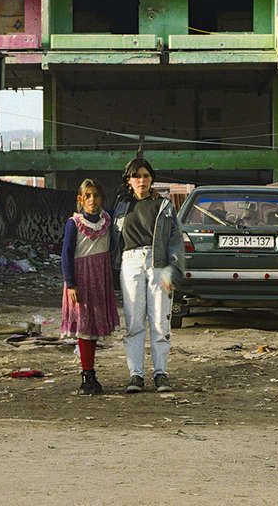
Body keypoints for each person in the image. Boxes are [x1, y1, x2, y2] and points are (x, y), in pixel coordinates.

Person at [114, 156, 183, 393]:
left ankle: (160, 373)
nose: (141, 180)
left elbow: (175, 240)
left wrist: (172, 270)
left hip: (158, 262)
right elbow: (111, 237)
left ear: (151, 178)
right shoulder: (121, 206)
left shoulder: (164, 206)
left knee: (160, 320)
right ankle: (136, 375)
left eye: (145, 175)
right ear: (128, 180)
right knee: (134, 322)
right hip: (130, 262)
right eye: (136, 176)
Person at [59, 178, 121, 396]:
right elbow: (66, 254)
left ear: (102, 198)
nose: (92, 200)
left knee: (94, 328)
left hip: (100, 277)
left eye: (96, 195)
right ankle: (87, 375)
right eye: (88, 196)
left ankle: (91, 373)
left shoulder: (107, 219)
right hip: (82, 279)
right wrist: (71, 284)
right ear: (80, 199)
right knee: (84, 328)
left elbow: (125, 207)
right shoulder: (73, 223)